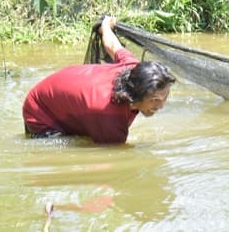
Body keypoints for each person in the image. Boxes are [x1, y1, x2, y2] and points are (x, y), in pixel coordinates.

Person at [22, 16, 176, 144]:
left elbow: (112, 44)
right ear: (135, 95)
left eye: (164, 98)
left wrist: (106, 26)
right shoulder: (110, 118)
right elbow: (112, 161)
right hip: (40, 111)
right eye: (155, 100)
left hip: (60, 95)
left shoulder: (132, 68)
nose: (161, 106)